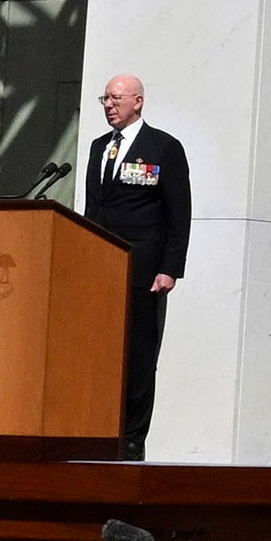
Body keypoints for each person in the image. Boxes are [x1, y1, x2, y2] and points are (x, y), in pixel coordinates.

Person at [80, 74, 188, 457]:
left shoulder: (163, 147)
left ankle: (131, 437)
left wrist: (170, 267)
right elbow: (95, 209)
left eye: (116, 98)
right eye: (104, 99)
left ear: (138, 102)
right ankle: (100, 428)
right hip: (101, 269)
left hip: (144, 271)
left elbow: (179, 213)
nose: (109, 105)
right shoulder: (98, 148)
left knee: (140, 358)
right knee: (101, 353)